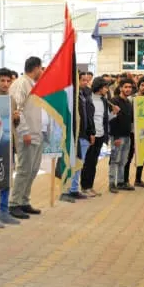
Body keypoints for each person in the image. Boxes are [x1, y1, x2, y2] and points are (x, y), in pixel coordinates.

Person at [11, 57, 46, 217]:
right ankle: (14, 203)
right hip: (26, 134)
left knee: (33, 170)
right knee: (24, 169)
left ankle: (24, 201)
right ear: (37, 68)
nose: (43, 72)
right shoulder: (21, 84)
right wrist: (24, 131)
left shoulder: (36, 85)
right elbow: (17, 110)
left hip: (37, 133)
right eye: (42, 69)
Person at [0, 70, 20, 225]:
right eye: (2, 80)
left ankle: (4, 211)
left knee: (7, 180)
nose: (6, 84)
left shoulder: (12, 99)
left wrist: (16, 118)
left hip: (9, 144)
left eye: (8, 81)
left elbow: (13, 124)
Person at [61, 72, 95, 201]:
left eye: (87, 80)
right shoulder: (71, 96)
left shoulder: (84, 94)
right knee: (72, 163)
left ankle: (75, 189)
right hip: (74, 134)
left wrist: (91, 132)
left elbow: (89, 114)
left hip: (85, 134)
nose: (86, 83)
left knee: (80, 163)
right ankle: (68, 189)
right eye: (83, 80)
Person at [79, 76, 110, 197]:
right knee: (87, 162)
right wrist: (90, 133)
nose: (107, 90)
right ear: (99, 87)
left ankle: (90, 186)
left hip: (101, 134)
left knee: (94, 162)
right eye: (105, 87)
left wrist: (113, 113)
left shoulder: (104, 100)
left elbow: (104, 118)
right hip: (91, 135)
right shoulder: (88, 99)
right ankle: (84, 186)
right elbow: (88, 118)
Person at [108, 80, 134, 192]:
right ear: (120, 88)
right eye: (126, 87)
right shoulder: (114, 101)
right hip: (117, 136)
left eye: (130, 87)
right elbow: (112, 121)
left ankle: (121, 182)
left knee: (123, 161)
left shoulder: (128, 102)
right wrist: (116, 137)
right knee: (114, 160)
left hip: (127, 136)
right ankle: (111, 183)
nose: (128, 89)